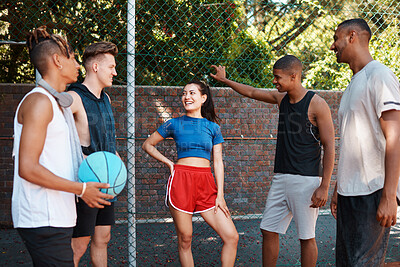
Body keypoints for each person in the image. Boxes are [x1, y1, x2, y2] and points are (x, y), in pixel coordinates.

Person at [210, 55, 335, 267]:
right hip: (281, 177)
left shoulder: (317, 104)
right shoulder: (281, 99)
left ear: (294, 76)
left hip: (306, 181)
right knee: (268, 229)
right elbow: (251, 91)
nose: (274, 81)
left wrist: (324, 186)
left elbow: (330, 146)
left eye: (278, 77)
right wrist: (225, 80)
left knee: (306, 236)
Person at [12, 26, 113, 266]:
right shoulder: (39, 101)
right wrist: (81, 189)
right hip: (42, 217)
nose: (78, 64)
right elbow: (27, 167)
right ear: (57, 61)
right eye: (73, 58)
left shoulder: (57, 104)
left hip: (58, 216)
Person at [142, 80, 239, 266]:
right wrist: (169, 163)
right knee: (185, 239)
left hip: (206, 185)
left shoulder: (213, 128)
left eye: (192, 93)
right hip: (181, 182)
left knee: (231, 236)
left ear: (203, 98)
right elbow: (148, 145)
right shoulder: (174, 124)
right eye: (184, 93)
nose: (187, 97)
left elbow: (218, 162)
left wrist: (220, 195)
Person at [329, 18, 400, 266]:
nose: (332, 46)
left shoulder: (379, 75)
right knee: (347, 263)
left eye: (335, 38)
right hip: (350, 192)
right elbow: (355, 141)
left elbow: (395, 136)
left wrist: (390, 196)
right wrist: (340, 185)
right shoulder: (353, 84)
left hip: (373, 191)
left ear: (352, 36)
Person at [67, 41, 119, 267]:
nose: (115, 72)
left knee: (103, 238)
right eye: (111, 67)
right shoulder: (74, 97)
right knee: (78, 246)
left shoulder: (106, 99)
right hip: (86, 183)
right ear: (95, 67)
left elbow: (109, 138)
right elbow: (50, 131)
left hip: (108, 181)